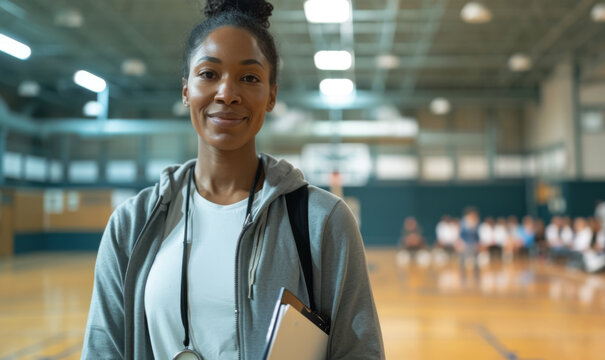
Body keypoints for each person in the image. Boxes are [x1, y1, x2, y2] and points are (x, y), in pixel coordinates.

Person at [80, 1, 384, 359]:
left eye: (249, 77)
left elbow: (359, 352)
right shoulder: (132, 225)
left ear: (271, 94)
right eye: (209, 74)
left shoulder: (323, 221)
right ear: (185, 90)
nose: (227, 93)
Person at [457, 207, 481, 281]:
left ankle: (476, 276)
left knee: (476, 261)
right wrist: (460, 243)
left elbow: (477, 235)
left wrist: (478, 244)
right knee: (462, 260)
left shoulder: (476, 223)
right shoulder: (463, 223)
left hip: (474, 244)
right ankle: (463, 276)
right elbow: (460, 234)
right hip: (465, 244)